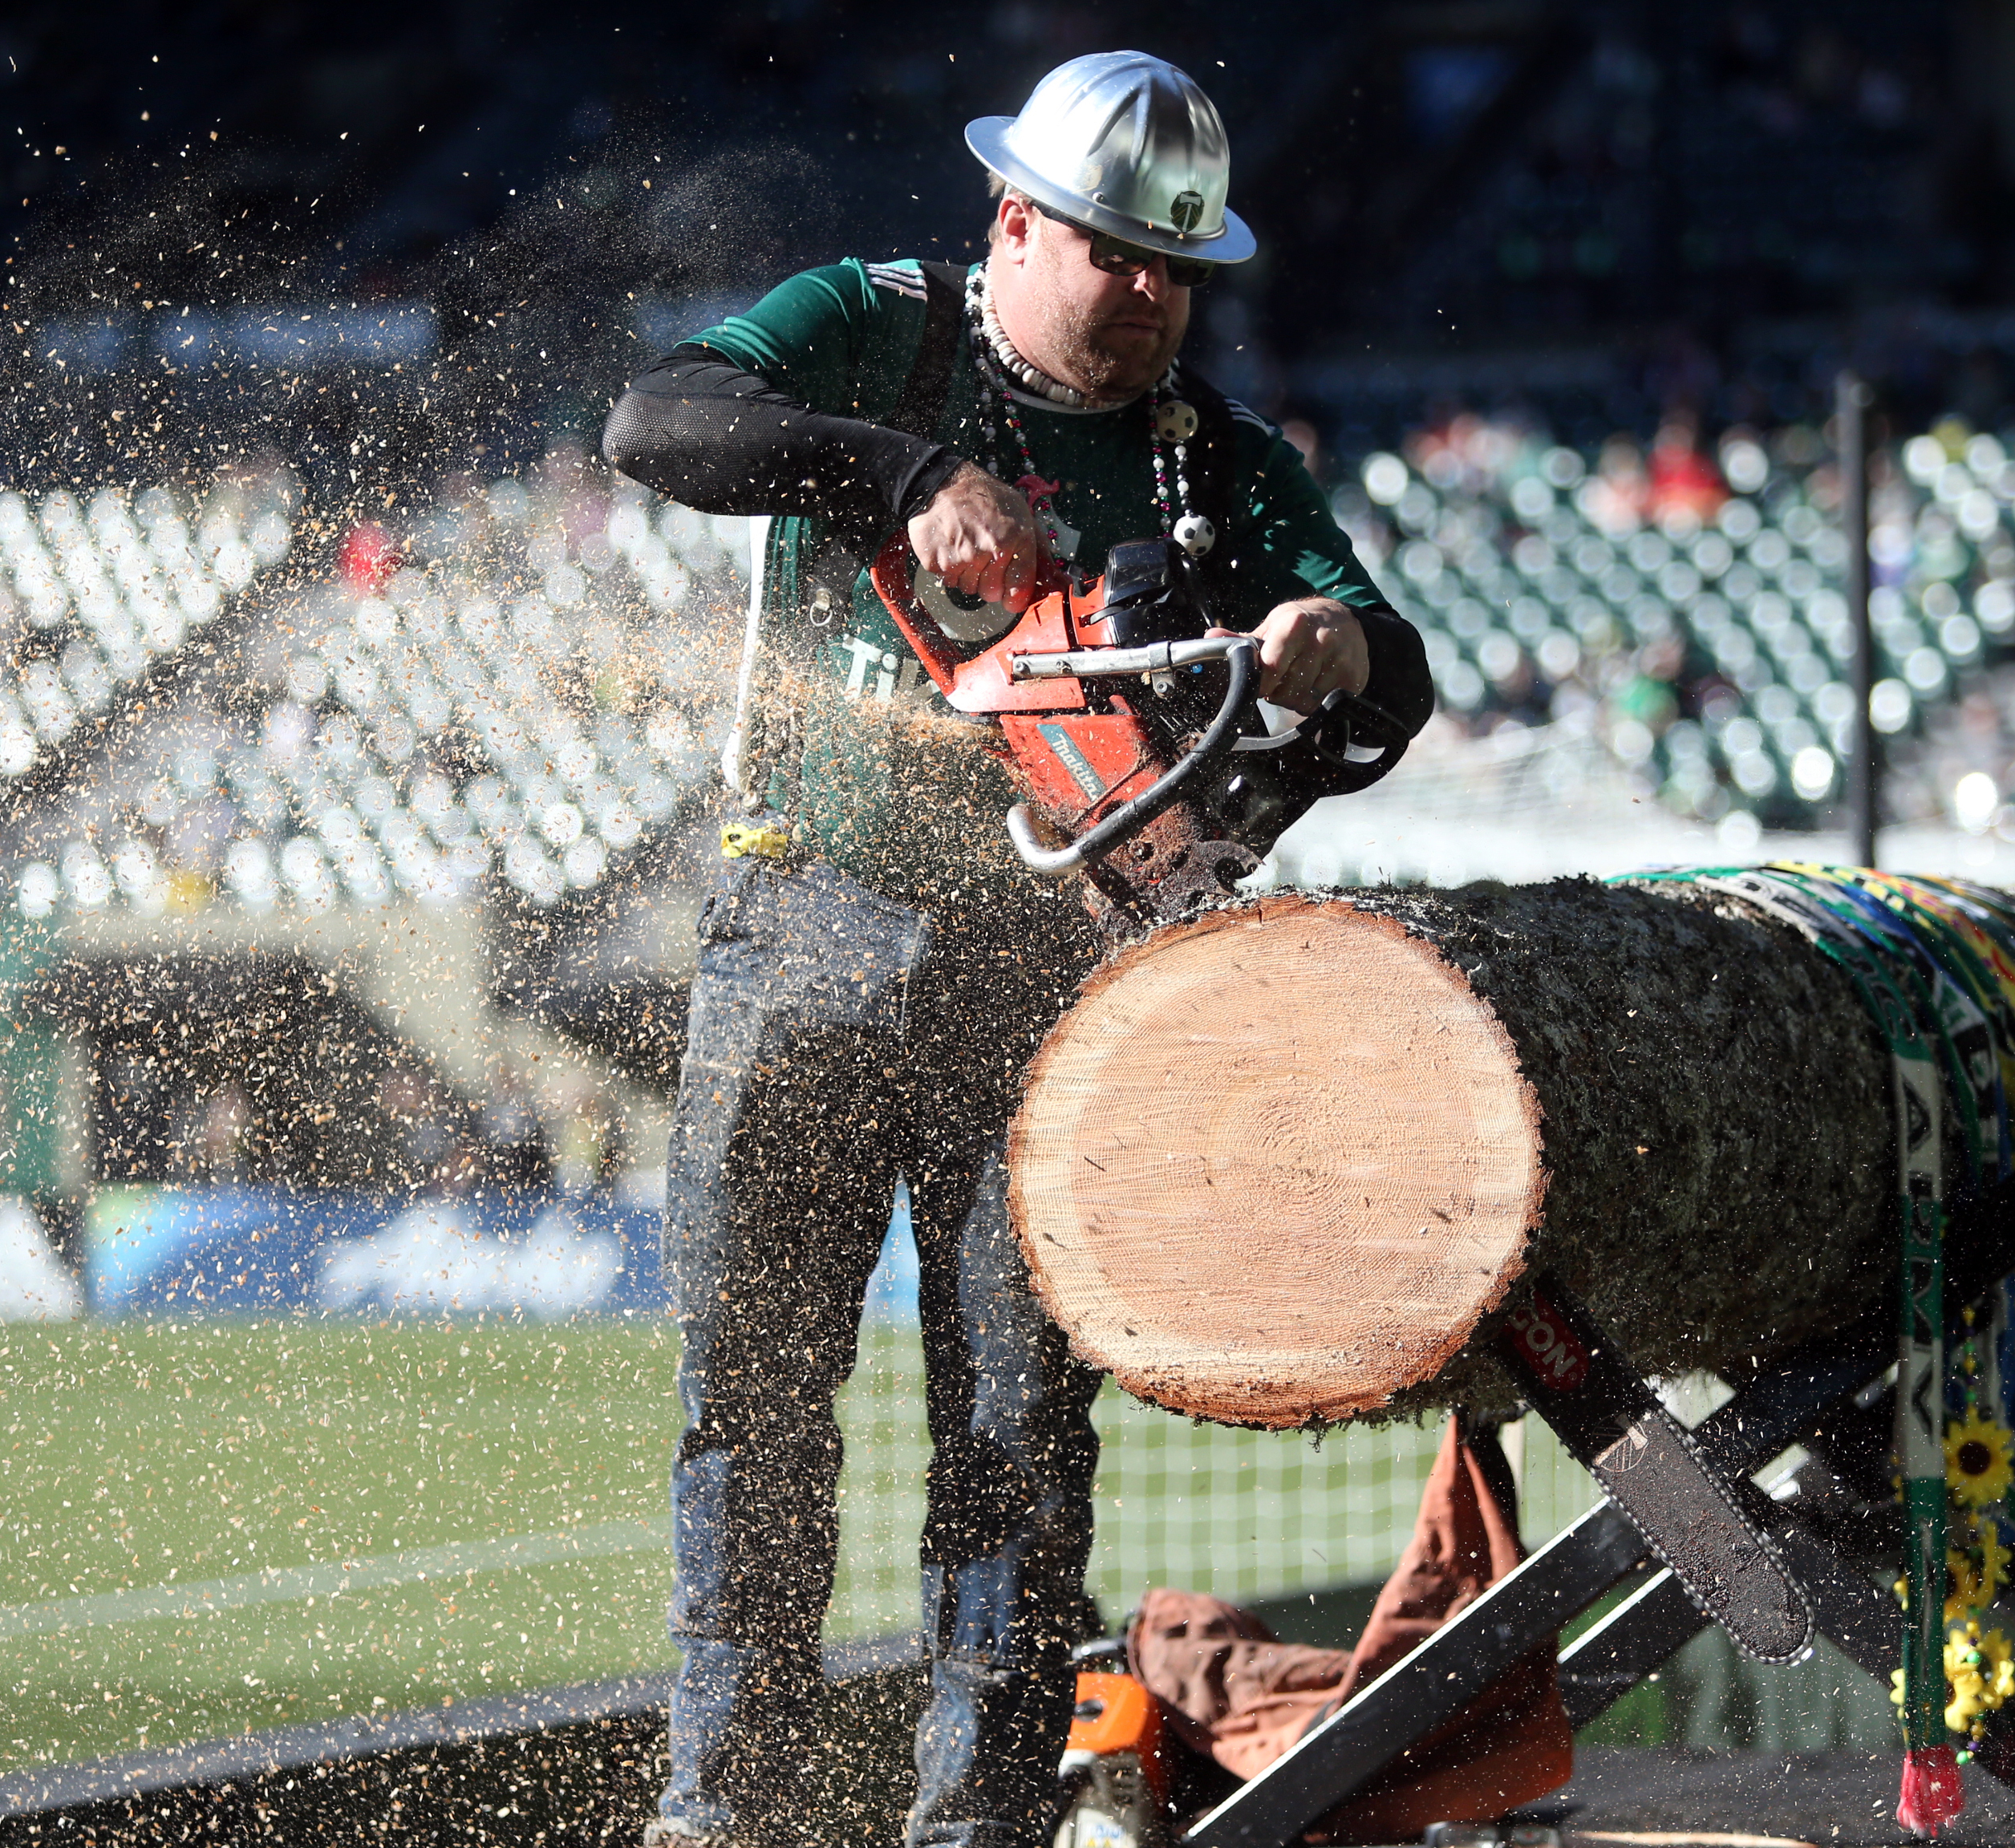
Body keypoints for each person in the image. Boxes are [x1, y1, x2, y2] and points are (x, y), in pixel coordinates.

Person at [602, 50, 1434, 1848]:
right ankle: (718, 1810)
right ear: (1013, 220)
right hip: (800, 922)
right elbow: (656, 425)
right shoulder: (874, 330)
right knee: (750, 1407)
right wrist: (902, 475)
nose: (1149, 299)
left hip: (1050, 981)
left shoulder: (1213, 457)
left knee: (1016, 1439)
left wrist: (1327, 645)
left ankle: (973, 1825)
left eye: (1176, 270)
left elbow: (1393, 670)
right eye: (1113, 255)